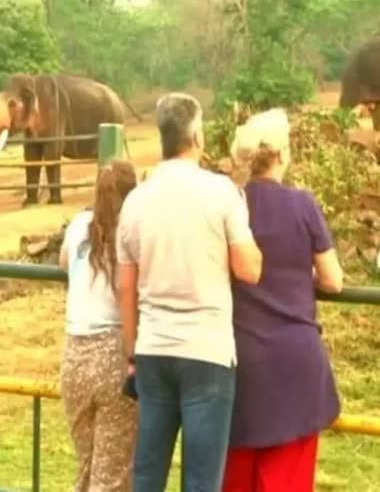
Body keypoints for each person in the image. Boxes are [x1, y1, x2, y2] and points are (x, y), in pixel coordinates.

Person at [116, 92, 262, 492]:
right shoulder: (221, 192)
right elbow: (249, 269)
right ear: (196, 135)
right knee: (201, 480)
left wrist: (132, 352)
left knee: (147, 475)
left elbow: (125, 286)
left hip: (153, 351)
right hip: (206, 351)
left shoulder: (136, 200)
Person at [223, 109, 344, 492]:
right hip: (296, 364)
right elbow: (333, 280)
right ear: (280, 155)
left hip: (240, 363)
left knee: (236, 477)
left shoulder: (231, 205)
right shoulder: (302, 204)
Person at [58, 159, 139, 491]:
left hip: (74, 352)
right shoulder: (131, 233)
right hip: (112, 353)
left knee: (87, 468)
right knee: (112, 477)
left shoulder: (79, 225)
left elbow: (65, 262)